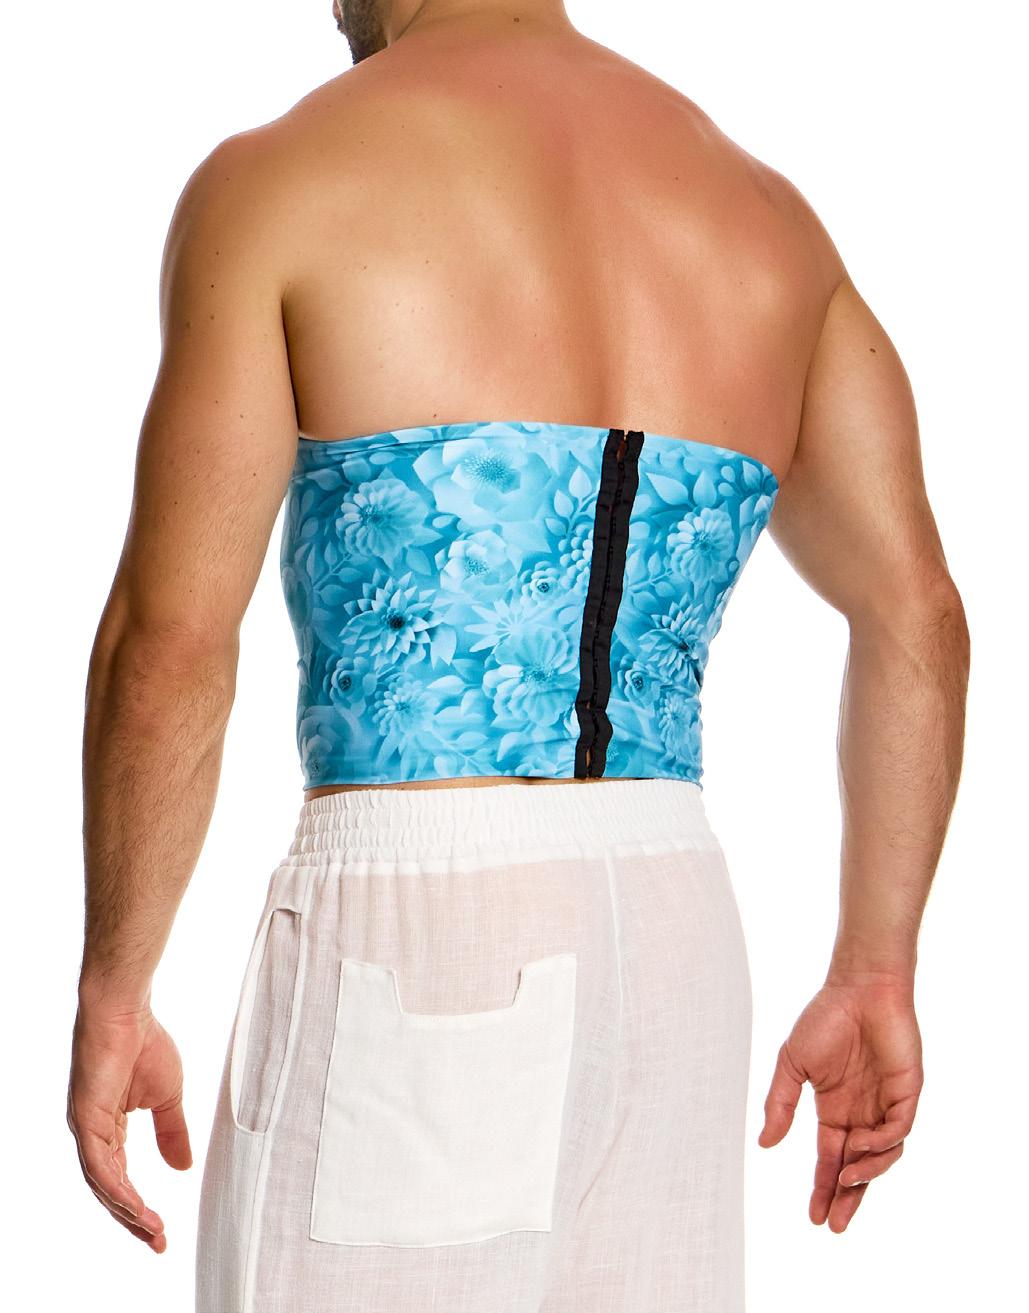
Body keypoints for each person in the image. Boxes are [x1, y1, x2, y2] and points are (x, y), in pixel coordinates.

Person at [66, 2, 970, 1311]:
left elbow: (167, 646)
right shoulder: (766, 220)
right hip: (673, 939)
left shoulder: (283, 182)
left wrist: (115, 985)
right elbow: (917, 615)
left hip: (415, 931)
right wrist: (877, 968)